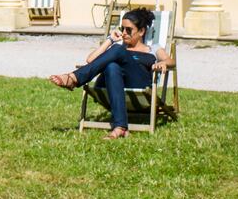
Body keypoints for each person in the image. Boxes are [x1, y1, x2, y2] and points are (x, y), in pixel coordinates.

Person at [48, 8, 175, 139]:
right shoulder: (118, 47)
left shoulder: (153, 48)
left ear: (142, 31)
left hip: (139, 83)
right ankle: (120, 127)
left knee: (117, 52)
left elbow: (171, 61)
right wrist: (110, 40)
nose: (124, 33)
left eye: (129, 30)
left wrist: (164, 63)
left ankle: (74, 78)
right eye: (122, 29)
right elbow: (90, 60)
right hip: (112, 84)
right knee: (112, 66)